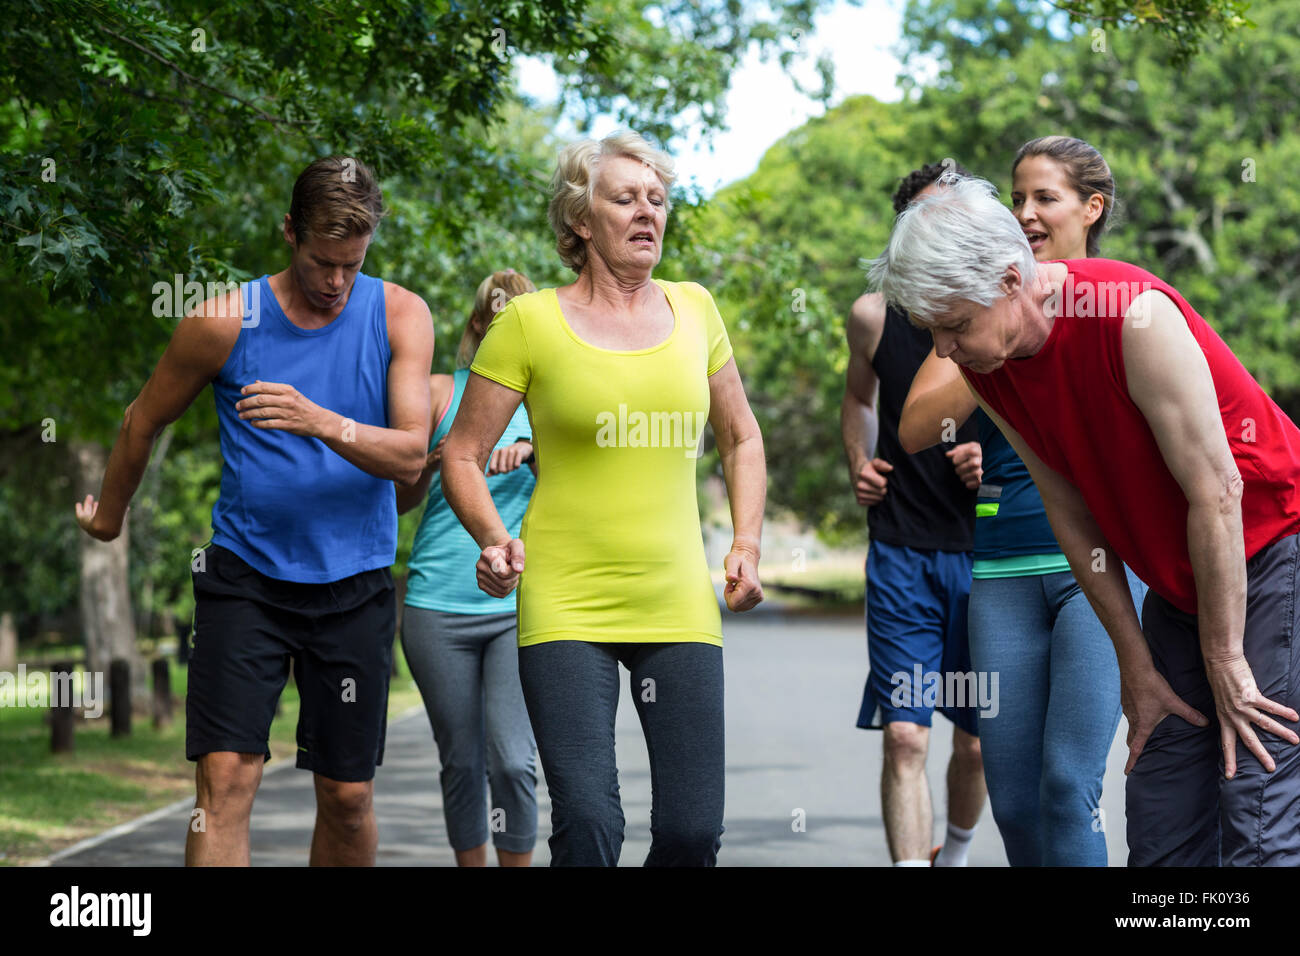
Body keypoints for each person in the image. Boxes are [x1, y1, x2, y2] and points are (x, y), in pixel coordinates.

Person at [871, 173, 1300, 866]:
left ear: (1012, 279)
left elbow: (1218, 492)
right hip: (1177, 579)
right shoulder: (993, 365)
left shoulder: (1131, 316)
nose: (944, 351)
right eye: (934, 332)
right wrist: (1135, 664)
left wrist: (1225, 659)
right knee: (1161, 820)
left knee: (1254, 806)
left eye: (953, 325)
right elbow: (1068, 508)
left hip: (1271, 551)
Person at [75, 156, 435, 866]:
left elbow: (411, 456)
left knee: (348, 795)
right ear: (288, 233)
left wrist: (320, 421)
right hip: (246, 580)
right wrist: (110, 518)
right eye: (321, 261)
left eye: (352, 265)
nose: (336, 282)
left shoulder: (400, 313)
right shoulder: (222, 320)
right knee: (226, 783)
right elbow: (141, 420)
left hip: (355, 582)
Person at [441, 130, 766, 867]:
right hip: (565, 599)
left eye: (658, 200)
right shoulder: (529, 323)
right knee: (588, 825)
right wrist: (494, 539)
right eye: (625, 199)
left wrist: (745, 542)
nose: (647, 213)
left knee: (689, 834)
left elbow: (742, 437)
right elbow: (460, 454)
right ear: (581, 220)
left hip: (677, 596)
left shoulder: (696, 310)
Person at [899, 136, 1146, 865]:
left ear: (1091, 208)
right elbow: (915, 426)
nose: (1028, 212)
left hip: (1094, 569)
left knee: (1068, 785)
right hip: (1003, 567)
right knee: (1012, 798)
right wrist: (985, 354)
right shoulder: (983, 318)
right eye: (1017, 198)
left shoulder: (1120, 301)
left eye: (1047, 197)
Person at [843, 161, 987, 867]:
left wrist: (988, 466)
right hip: (901, 548)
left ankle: (952, 856)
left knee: (977, 740)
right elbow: (859, 401)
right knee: (907, 735)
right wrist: (858, 463)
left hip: (984, 554)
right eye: (931, 215)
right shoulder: (874, 316)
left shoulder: (999, 314)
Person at [399, 269, 540, 867]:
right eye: (492, 319)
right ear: (477, 324)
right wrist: (435, 464)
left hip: (518, 604)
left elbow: (582, 485)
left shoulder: (549, 401)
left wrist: (534, 454)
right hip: (436, 602)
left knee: (512, 758)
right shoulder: (438, 392)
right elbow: (402, 499)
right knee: (460, 758)